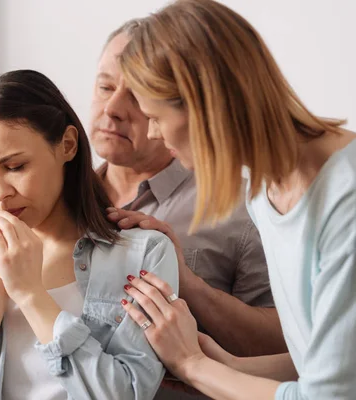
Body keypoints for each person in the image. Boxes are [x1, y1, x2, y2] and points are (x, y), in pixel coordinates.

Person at [112, 0, 356, 398]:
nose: (153, 134)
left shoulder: (346, 200)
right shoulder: (265, 190)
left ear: (204, 106)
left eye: (154, 116)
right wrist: (225, 364)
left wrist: (194, 366)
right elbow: (324, 360)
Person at [0, 69, 179, 400]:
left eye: (15, 167)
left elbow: (123, 394)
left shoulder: (144, 254)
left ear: (67, 146)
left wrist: (30, 294)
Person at [90, 19, 285, 365]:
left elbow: (286, 348)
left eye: (136, 95)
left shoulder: (246, 207)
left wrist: (189, 286)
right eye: (105, 87)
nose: (112, 109)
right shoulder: (51, 197)